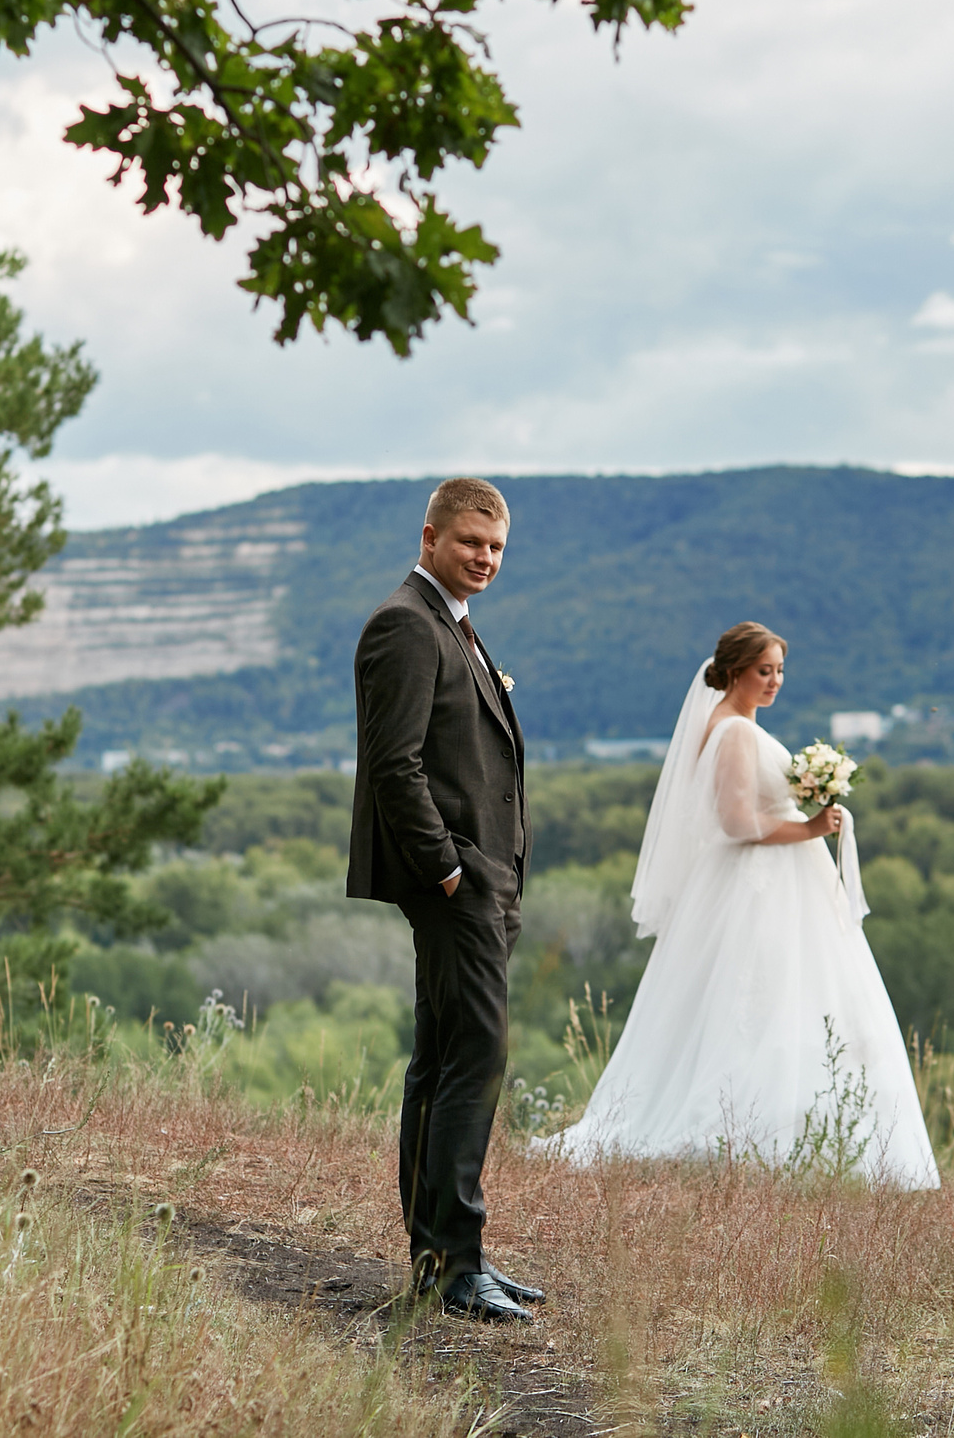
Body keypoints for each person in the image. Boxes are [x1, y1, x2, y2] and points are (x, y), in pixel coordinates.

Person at [539, 623, 941, 1186]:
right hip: (756, 884)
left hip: (773, 881)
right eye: (763, 671)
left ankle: (801, 1131)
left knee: (784, 1000)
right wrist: (811, 829)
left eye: (779, 671)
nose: (774, 681)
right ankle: (754, 1129)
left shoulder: (736, 725)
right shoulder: (733, 733)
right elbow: (734, 823)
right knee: (763, 1000)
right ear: (733, 672)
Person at [347, 477, 545, 1322]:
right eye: (471, 542)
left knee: (442, 1060)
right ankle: (455, 1266)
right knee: (476, 1056)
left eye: (496, 547)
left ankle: (441, 1257)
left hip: (482, 880)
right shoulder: (404, 623)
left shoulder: (454, 625)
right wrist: (449, 871)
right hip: (455, 882)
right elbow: (395, 764)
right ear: (429, 535)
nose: (485, 558)